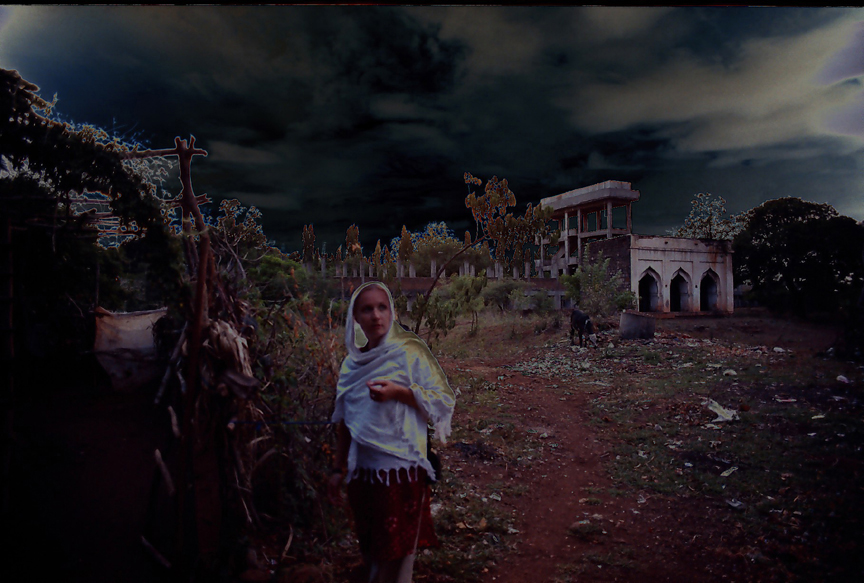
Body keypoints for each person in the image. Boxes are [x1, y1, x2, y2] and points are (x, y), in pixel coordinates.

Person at [328, 281, 455, 583]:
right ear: (355, 318)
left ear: (392, 312)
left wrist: (400, 392)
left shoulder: (411, 352)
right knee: (372, 548)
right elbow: (346, 420)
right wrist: (338, 468)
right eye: (367, 309)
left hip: (402, 472)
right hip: (364, 475)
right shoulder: (352, 365)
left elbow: (442, 399)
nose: (376, 316)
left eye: (382, 307)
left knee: (397, 557)